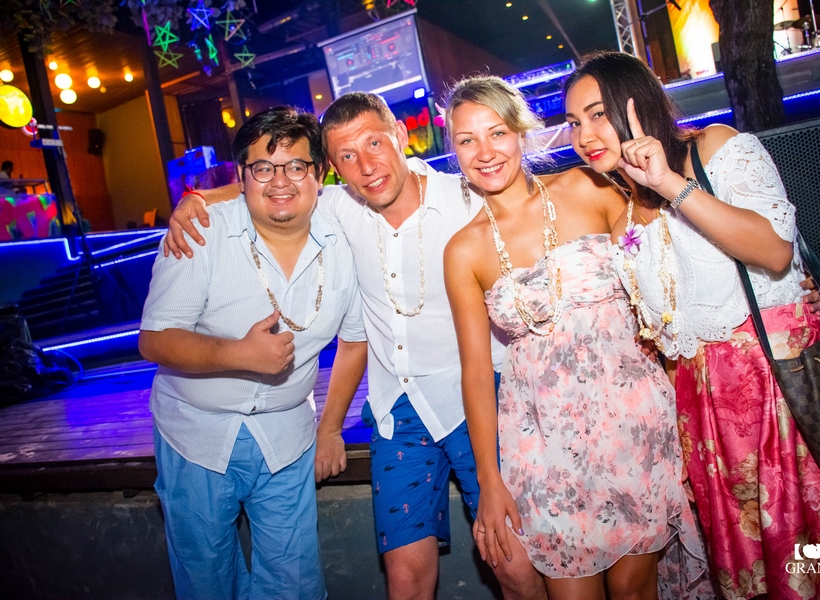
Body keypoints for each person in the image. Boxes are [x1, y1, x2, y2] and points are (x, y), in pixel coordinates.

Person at [164, 93, 545, 600]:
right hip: (397, 411)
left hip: (478, 398)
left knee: (514, 566)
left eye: (374, 144)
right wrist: (197, 199)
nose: (365, 166)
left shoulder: (465, 199)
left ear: (400, 137)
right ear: (331, 168)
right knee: (405, 580)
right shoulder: (338, 207)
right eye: (346, 155)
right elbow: (272, 186)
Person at [563, 50, 820, 599]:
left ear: (636, 102)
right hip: (707, 412)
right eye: (574, 122)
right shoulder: (622, 214)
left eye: (598, 113)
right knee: (766, 575)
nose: (584, 134)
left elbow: (773, 250)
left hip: (780, 389)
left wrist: (670, 183)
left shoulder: (715, 148)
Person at [443, 75, 712, 600]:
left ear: (521, 132)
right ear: (454, 150)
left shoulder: (589, 187)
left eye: (496, 133)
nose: (485, 152)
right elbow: (475, 373)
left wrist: (775, 290)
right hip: (541, 442)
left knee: (633, 588)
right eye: (467, 140)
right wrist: (489, 481)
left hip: (632, 421)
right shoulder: (463, 250)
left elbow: (670, 260)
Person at [139, 106, 368, 600]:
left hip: (287, 436)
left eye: (295, 166)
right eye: (263, 168)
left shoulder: (345, 240)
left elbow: (355, 342)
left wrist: (330, 429)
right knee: (207, 582)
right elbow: (155, 339)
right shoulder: (201, 233)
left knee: (295, 585)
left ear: (319, 174)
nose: (280, 181)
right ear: (242, 176)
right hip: (196, 435)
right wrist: (239, 354)